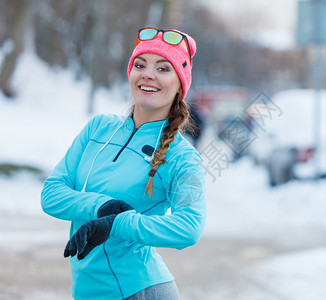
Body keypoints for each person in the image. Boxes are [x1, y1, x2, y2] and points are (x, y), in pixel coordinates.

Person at [41, 27, 206, 300]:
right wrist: (100, 207)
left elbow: (189, 226)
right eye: (140, 65)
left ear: (180, 83)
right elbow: (51, 193)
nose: (148, 74)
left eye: (163, 69)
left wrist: (116, 223)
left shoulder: (181, 156)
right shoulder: (98, 128)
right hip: (87, 291)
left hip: (138, 290)